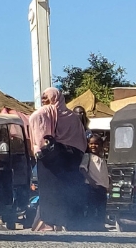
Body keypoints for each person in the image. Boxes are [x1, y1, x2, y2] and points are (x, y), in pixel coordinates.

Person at [27, 87, 89, 231]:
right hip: (70, 160)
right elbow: (81, 142)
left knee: (52, 192)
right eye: (42, 98)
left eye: (46, 97)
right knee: (65, 191)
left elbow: (37, 126)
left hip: (51, 160)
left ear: (55, 98)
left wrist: (40, 147)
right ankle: (64, 223)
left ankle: (51, 223)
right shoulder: (72, 117)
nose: (44, 101)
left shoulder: (45, 113)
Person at [81, 134, 110, 231]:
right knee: (92, 206)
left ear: (101, 146)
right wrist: (91, 181)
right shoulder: (87, 156)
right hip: (91, 186)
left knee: (101, 207)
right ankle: (90, 225)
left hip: (102, 187)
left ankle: (100, 225)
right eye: (91, 143)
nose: (93, 146)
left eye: (97, 144)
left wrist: (107, 184)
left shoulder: (102, 159)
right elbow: (83, 169)